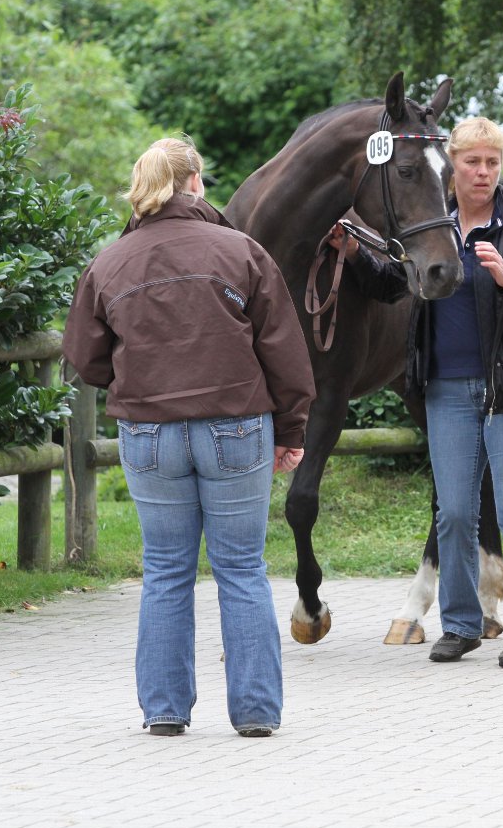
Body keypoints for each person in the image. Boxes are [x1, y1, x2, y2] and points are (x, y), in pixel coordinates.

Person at [62, 136, 315, 736]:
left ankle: (164, 712)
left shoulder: (109, 262)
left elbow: (86, 359)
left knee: (167, 571)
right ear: (196, 182)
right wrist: (293, 427)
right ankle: (255, 713)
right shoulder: (242, 252)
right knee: (241, 569)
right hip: (236, 425)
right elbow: (284, 353)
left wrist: (139, 379)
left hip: (148, 432)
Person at [335, 116, 503, 668]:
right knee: (454, 512)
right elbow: (395, 285)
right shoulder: (430, 224)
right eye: (473, 162)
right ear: (454, 165)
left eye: (493, 163)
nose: (484, 173)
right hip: (445, 387)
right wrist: (355, 260)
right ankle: (462, 624)